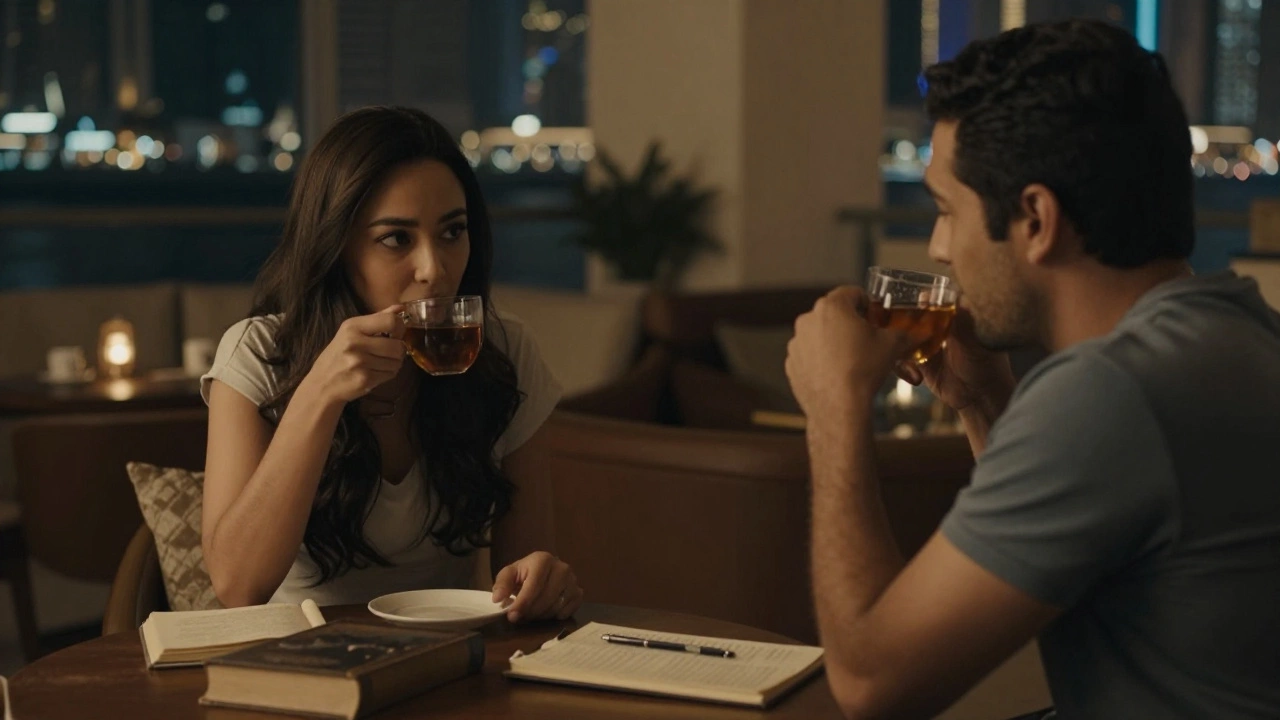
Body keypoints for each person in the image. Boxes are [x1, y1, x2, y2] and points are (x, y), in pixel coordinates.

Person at [786, 19, 1280, 720]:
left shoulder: (1113, 392)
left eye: (946, 210)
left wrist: (835, 403)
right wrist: (984, 402)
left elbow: (872, 685)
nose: (939, 247)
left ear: (1036, 220)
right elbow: (1078, 547)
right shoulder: (1235, 330)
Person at [200, 106, 582, 625]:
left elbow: (522, 572)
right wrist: (318, 396)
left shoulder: (505, 351)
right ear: (337, 248)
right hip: (298, 664)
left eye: (452, 232)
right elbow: (237, 587)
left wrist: (541, 580)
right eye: (397, 239)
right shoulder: (259, 353)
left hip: (441, 661)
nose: (434, 270)